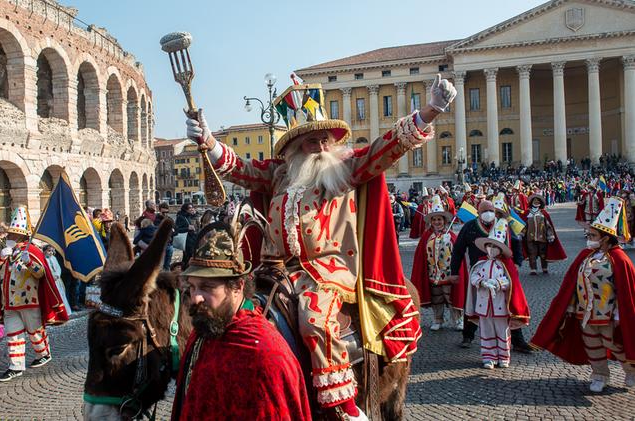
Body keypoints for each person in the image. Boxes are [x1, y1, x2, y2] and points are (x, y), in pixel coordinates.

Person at [186, 74, 456, 419]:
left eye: (325, 139)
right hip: (273, 268)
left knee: (314, 316)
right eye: (312, 141)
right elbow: (240, 168)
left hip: (326, 270)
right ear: (295, 148)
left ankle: (340, 404)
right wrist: (208, 141)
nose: (321, 147)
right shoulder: (279, 175)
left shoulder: (346, 169)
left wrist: (429, 112)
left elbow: (385, 149)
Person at [172, 222, 311, 421]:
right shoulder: (204, 331)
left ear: (238, 286)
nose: (196, 298)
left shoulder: (266, 356)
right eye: (193, 287)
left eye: (207, 287)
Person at [531, 196, 635, 392]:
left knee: (612, 343)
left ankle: (630, 369)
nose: (589, 237)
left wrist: (620, 313)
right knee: (592, 344)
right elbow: (572, 283)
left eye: (593, 235)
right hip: (584, 311)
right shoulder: (585, 255)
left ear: (605, 237)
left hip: (608, 313)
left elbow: (626, 290)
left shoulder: (620, 259)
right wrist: (570, 305)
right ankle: (600, 375)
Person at [0, 206, 68, 382]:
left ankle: (43, 353)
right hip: (9, 303)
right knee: (13, 335)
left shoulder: (32, 251)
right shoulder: (6, 253)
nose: (8, 237)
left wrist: (29, 263)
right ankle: (15, 366)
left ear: (21, 236)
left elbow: (41, 273)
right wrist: (1, 260)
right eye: (9, 234)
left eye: (12, 235)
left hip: (29, 300)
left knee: (35, 331)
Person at [466, 219, 530, 369]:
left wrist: (498, 284)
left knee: (502, 331)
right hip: (484, 305)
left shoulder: (505, 265)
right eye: (489, 245)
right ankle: (489, 357)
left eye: (495, 246)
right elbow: (473, 276)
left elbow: (511, 282)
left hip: (500, 304)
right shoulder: (481, 263)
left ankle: (503, 356)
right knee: (486, 330)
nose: (491, 248)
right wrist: (482, 282)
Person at [412, 196, 464, 332]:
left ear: (444, 221)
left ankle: (458, 319)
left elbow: (458, 254)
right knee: (437, 297)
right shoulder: (426, 236)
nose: (437, 222)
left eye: (439, 219)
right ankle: (438, 319)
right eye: (434, 219)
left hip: (448, 273)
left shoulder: (451, 235)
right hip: (433, 273)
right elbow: (420, 256)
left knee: (451, 296)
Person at [520, 194, 566, 275]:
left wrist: (550, 235)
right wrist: (521, 233)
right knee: (532, 253)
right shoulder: (527, 213)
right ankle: (533, 269)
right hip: (530, 237)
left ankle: (544, 267)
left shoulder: (544, 213)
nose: (536, 202)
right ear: (531, 202)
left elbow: (548, 225)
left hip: (542, 237)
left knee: (543, 254)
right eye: (534, 201)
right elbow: (524, 225)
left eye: (538, 201)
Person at [43, 245, 71, 316]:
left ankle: (64, 311)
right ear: (45, 251)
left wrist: (57, 275)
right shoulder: (43, 259)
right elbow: (45, 269)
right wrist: (51, 277)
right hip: (50, 280)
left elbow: (58, 268)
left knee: (61, 295)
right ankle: (54, 314)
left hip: (57, 279)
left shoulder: (54, 258)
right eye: (49, 251)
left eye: (52, 251)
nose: (51, 253)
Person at [175, 203, 199, 270]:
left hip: (192, 240)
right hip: (186, 241)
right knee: (188, 257)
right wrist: (187, 228)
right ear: (185, 209)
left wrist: (195, 214)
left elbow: (197, 222)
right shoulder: (180, 217)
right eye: (190, 208)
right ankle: (187, 271)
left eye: (192, 207)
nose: (192, 209)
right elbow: (177, 230)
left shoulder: (189, 216)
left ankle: (184, 270)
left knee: (187, 257)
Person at [155, 202, 174, 270]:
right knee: (159, 265)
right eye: (163, 212)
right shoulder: (156, 219)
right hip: (160, 245)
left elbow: (176, 230)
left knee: (167, 264)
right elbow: (157, 231)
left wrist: (172, 231)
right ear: (159, 211)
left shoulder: (170, 219)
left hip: (169, 244)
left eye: (167, 212)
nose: (165, 214)